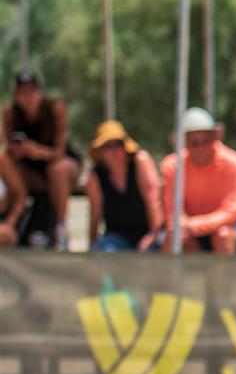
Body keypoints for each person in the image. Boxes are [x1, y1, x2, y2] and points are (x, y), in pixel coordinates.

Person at [158, 107, 236, 255]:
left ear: (214, 139)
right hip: (191, 230)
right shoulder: (172, 167)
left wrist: (193, 225)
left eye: (206, 141)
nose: (201, 147)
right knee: (174, 235)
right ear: (184, 143)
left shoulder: (233, 163)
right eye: (194, 143)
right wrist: (185, 227)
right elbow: (173, 213)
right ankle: (169, 270)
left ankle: (226, 271)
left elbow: (231, 213)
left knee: (223, 236)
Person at [2, 68, 81, 249]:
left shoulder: (54, 109)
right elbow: (8, 149)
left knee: (57, 170)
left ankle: (60, 228)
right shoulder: (10, 113)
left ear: (40, 92)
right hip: (30, 170)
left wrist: (37, 151)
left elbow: (60, 151)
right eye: (23, 92)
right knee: (5, 162)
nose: (28, 97)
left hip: (60, 164)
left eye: (32, 91)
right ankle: (13, 222)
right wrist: (19, 151)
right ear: (16, 95)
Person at [85, 120, 163, 252]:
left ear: (126, 147)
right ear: (100, 152)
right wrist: (92, 244)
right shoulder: (95, 175)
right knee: (105, 250)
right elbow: (95, 213)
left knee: (151, 252)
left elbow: (153, 199)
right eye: (108, 146)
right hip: (116, 237)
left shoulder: (140, 161)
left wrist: (153, 235)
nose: (114, 151)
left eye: (118, 144)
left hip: (147, 233)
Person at [0, 148, 25, 247]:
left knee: (6, 236)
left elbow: (20, 196)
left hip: (3, 220)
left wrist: (10, 222)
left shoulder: (2, 160)